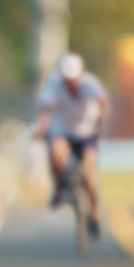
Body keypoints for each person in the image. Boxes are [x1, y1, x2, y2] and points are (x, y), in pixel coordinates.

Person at [33, 52, 110, 238]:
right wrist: (42, 127)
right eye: (67, 78)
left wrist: (101, 124)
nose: (70, 82)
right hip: (63, 130)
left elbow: (104, 103)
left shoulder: (91, 84)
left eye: (73, 78)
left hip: (87, 131)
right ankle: (59, 186)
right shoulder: (55, 83)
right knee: (56, 153)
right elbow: (46, 108)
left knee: (90, 176)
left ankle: (95, 215)